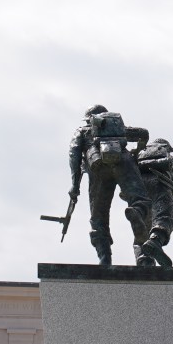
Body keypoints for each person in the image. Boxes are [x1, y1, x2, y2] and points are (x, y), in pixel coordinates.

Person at [68, 105, 152, 266]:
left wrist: (75, 185)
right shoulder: (117, 128)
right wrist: (136, 152)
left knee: (98, 217)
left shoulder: (82, 131)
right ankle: (136, 212)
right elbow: (144, 134)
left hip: (98, 168)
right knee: (140, 200)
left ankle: (105, 259)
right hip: (123, 162)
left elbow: (74, 155)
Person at [135, 138, 173, 268]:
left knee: (143, 226)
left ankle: (144, 258)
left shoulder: (139, 155)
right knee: (165, 215)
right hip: (160, 183)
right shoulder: (169, 157)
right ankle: (155, 240)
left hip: (138, 187)